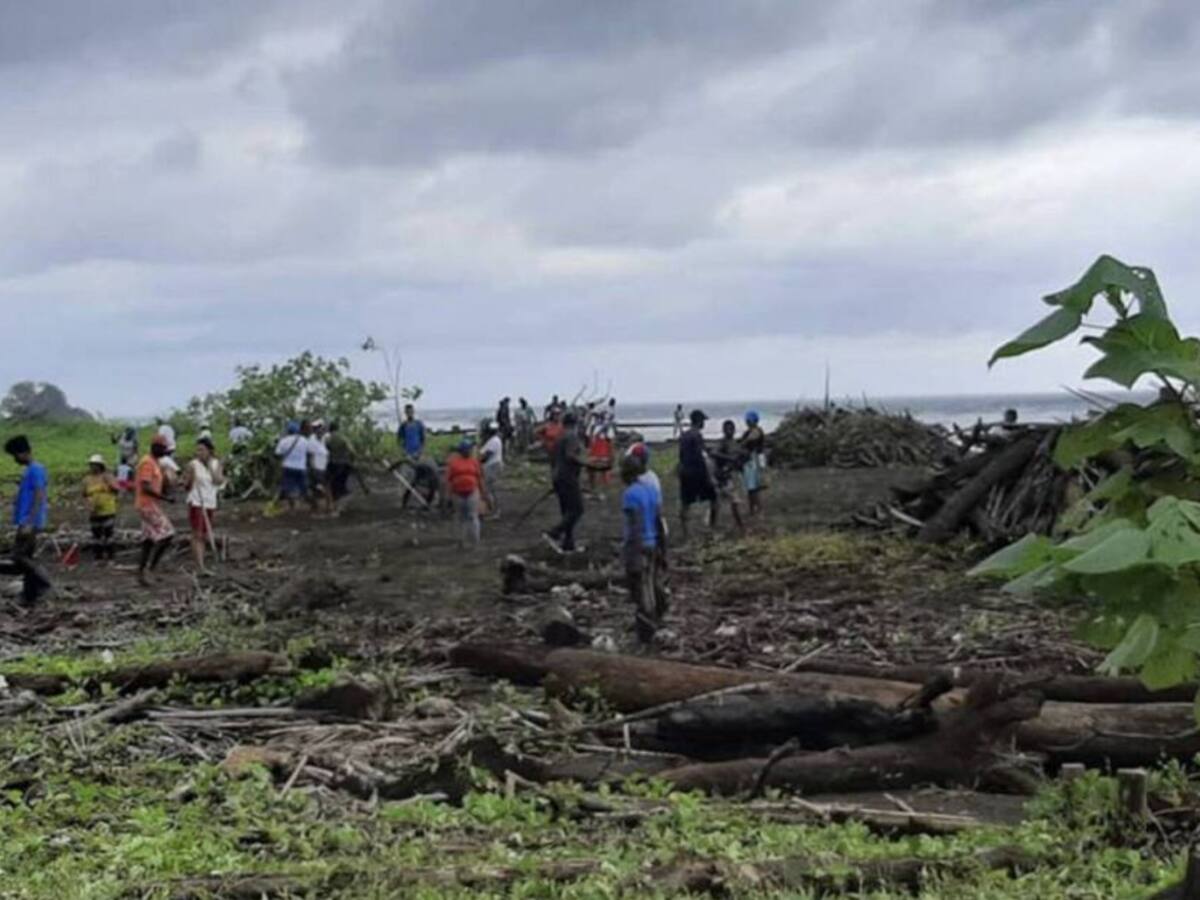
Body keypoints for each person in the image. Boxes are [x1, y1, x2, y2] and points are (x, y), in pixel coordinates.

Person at [543, 411, 608, 553]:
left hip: (558, 477)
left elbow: (554, 459)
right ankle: (553, 533)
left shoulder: (560, 438)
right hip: (568, 478)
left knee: (567, 512)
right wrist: (588, 463)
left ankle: (568, 544)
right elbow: (571, 456)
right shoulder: (571, 436)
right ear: (575, 424)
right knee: (577, 510)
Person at [621, 454, 666, 643]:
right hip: (653, 542)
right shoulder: (651, 490)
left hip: (639, 545)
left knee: (641, 590)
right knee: (651, 585)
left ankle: (646, 632)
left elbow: (635, 525)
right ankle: (653, 623)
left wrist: (631, 552)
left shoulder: (630, 494)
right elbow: (658, 519)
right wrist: (663, 547)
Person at [2, 436, 52, 605]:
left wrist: (30, 522)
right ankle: (29, 595)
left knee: (19, 556)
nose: (14, 459)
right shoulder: (31, 470)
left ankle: (44, 583)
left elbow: (39, 495)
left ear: (22, 453)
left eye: (15, 455)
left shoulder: (35, 469)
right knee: (25, 556)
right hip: (27, 520)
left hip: (29, 521)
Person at [136, 435, 176, 586]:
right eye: (164, 448)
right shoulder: (148, 463)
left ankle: (142, 572)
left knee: (148, 540)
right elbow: (146, 487)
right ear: (156, 447)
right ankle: (150, 568)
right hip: (147, 504)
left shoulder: (153, 462)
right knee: (168, 534)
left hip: (146, 504)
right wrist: (165, 498)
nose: (166, 451)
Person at [182, 437, 224, 573]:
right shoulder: (192, 465)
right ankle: (200, 566)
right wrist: (187, 480)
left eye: (202, 450)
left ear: (209, 451)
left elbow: (218, 481)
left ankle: (201, 564)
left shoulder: (216, 463)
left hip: (210, 502)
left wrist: (210, 466)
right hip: (197, 502)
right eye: (197, 450)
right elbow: (186, 484)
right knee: (197, 534)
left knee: (204, 534)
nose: (198, 453)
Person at [678, 409, 716, 540]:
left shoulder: (684, 435)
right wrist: (709, 476)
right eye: (703, 421)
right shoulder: (697, 435)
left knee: (686, 503)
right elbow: (702, 457)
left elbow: (682, 455)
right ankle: (710, 528)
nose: (704, 424)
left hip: (685, 472)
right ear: (699, 421)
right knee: (713, 499)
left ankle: (685, 533)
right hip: (697, 472)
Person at [446, 439, 483, 548]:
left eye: (469, 450)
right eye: (466, 450)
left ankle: (475, 541)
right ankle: (460, 541)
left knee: (472, 516)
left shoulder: (474, 462)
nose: (468, 451)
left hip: (472, 491)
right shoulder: (453, 463)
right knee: (460, 517)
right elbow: (448, 480)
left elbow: (479, 478)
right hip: (457, 493)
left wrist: (483, 493)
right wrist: (447, 496)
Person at [712, 420, 747, 534]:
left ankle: (739, 524)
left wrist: (742, 457)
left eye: (731, 428)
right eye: (727, 429)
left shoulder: (734, 442)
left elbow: (739, 455)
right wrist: (729, 458)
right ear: (723, 430)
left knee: (734, 501)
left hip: (732, 474)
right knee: (725, 501)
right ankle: (739, 525)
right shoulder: (723, 442)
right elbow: (714, 453)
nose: (730, 431)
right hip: (724, 476)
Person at [83, 454, 119, 562]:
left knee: (108, 534)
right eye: (91, 465)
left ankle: (110, 557)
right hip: (94, 511)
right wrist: (88, 505)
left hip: (108, 510)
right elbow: (84, 494)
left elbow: (117, 489)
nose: (93, 467)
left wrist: (108, 481)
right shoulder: (87, 480)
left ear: (100, 466)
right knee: (96, 535)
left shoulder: (107, 476)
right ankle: (98, 557)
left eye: (95, 465)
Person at [275, 421, 310, 512]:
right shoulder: (304, 440)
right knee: (304, 487)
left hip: (287, 467)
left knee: (288, 488)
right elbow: (309, 453)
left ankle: (292, 507)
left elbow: (277, 453)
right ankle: (312, 505)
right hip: (301, 467)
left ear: (288, 431)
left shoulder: (283, 441)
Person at [740, 410, 768, 518]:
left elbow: (746, 442)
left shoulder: (756, 431)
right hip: (750, 460)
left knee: (753, 487)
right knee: (751, 488)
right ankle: (753, 509)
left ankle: (758, 509)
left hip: (753, 460)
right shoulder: (751, 431)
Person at [325, 421, 355, 511]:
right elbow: (352, 451)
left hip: (332, 464)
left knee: (333, 485)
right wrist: (352, 460)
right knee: (342, 484)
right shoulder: (343, 438)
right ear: (338, 428)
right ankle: (340, 506)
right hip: (344, 464)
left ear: (330, 429)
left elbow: (326, 451)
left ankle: (335, 506)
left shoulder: (328, 439)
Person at [480, 421, 504, 517]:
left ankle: (493, 510)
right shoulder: (493, 440)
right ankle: (491, 509)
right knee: (489, 489)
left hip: (492, 466)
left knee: (489, 489)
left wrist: (477, 460)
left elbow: (486, 456)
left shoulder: (494, 441)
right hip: (492, 465)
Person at [309, 419, 331, 514]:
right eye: (315, 428)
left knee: (325, 486)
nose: (317, 429)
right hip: (316, 466)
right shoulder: (312, 438)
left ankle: (328, 506)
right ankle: (317, 507)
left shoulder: (327, 437)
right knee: (315, 487)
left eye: (319, 427)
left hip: (324, 465)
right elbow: (310, 453)